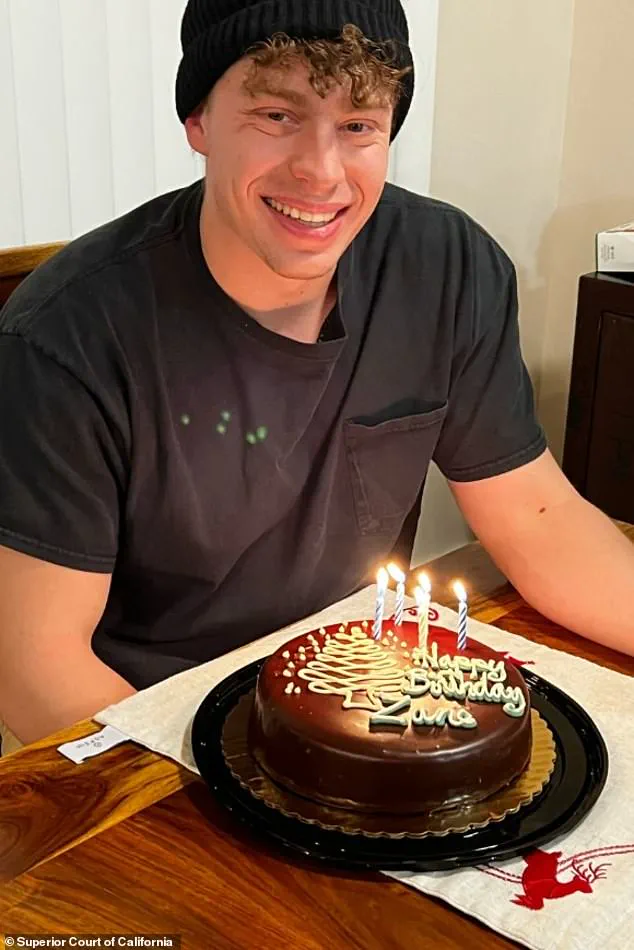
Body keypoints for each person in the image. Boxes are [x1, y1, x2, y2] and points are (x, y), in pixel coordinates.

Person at [1, 0, 633, 754]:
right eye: (277, 115)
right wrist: (257, 789)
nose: (321, 171)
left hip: (358, 696)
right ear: (199, 120)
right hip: (150, 723)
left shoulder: (448, 269)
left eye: (359, 125)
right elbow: (36, 664)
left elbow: (538, 519)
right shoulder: (67, 336)